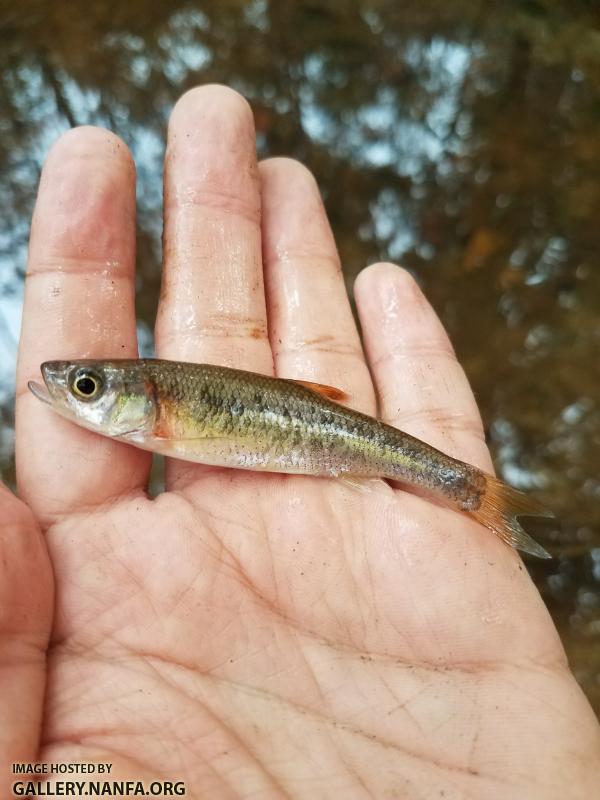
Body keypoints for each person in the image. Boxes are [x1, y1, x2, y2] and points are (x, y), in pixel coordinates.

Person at [2, 84, 599, 798]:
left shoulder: (161, 415)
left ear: (145, 400)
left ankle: (474, 494)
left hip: (330, 438)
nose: (78, 393)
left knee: (436, 473)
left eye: (91, 387)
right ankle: (479, 496)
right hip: (320, 435)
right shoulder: (157, 412)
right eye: (87, 387)